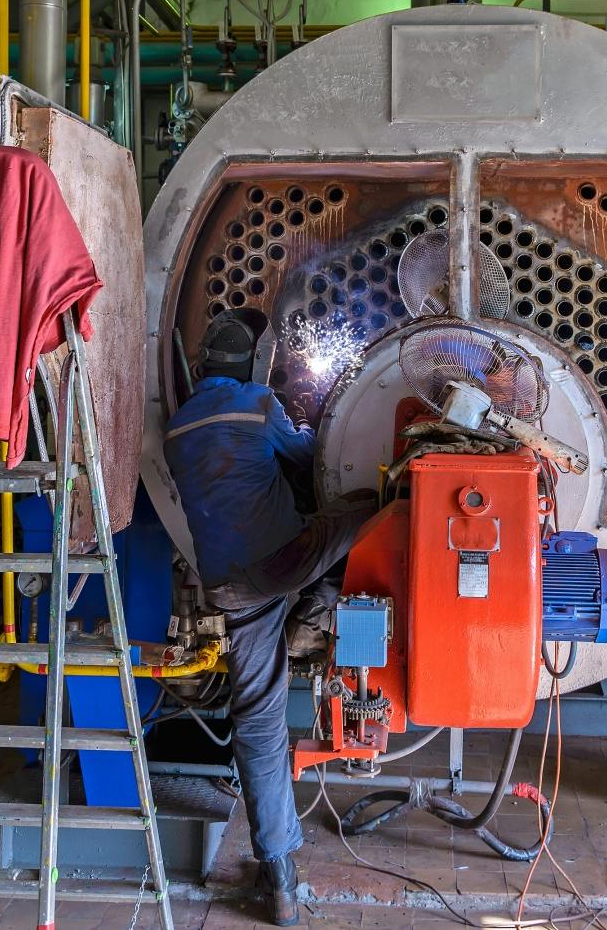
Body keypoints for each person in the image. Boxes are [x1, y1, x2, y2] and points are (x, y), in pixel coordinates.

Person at [163, 309, 375, 926]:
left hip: (229, 591)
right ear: (255, 364)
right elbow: (314, 457)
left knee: (258, 723)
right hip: (288, 563)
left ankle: (279, 876)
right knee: (366, 503)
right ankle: (322, 606)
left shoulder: (176, 427)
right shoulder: (258, 404)